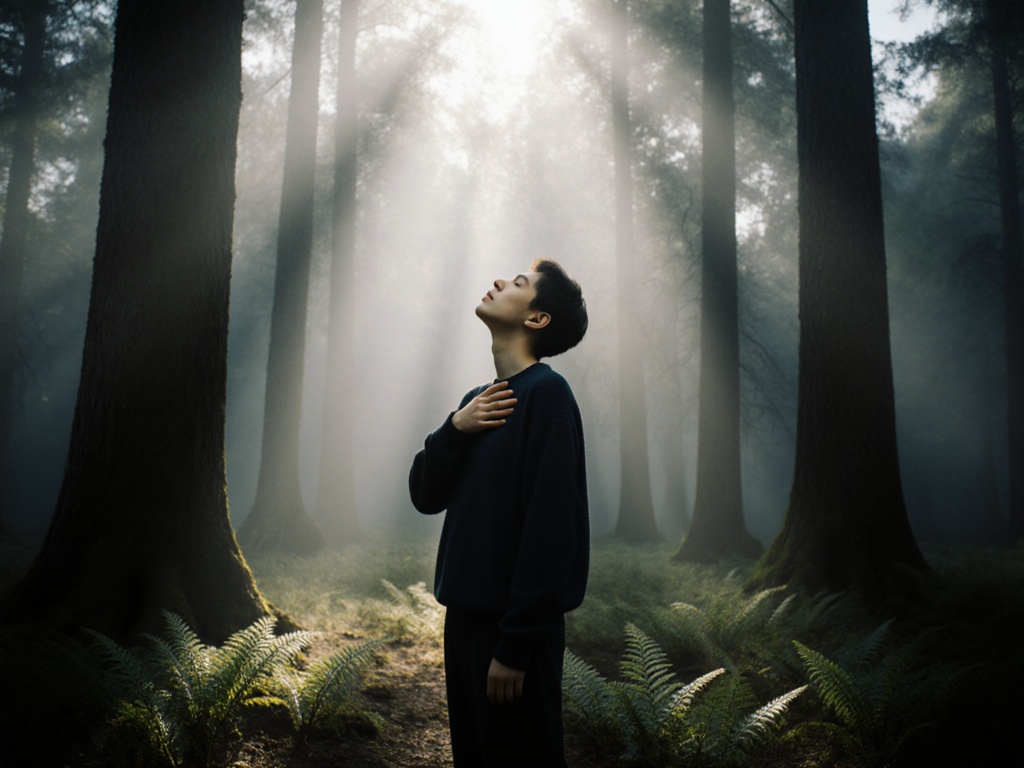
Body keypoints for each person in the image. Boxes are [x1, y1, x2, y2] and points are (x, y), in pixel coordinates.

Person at [409, 259, 590, 767]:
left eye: (518, 284)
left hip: (512, 632)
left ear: (536, 319)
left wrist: (515, 646)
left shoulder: (547, 397)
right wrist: (454, 428)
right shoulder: (477, 403)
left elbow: (553, 531)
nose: (498, 283)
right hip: (462, 621)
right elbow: (424, 494)